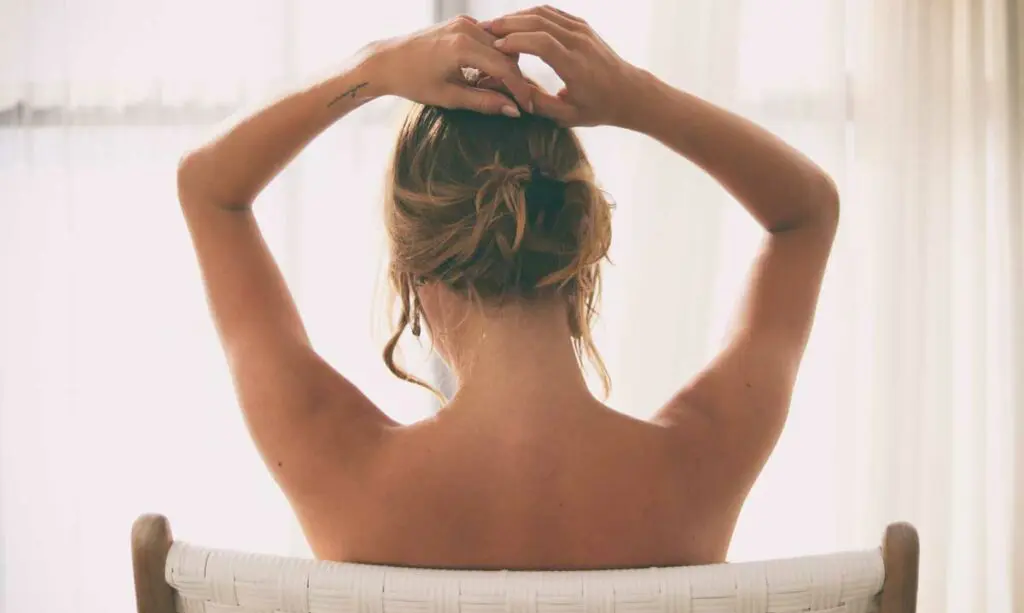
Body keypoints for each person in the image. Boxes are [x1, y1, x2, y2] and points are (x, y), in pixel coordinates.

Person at [176, 6, 840, 569]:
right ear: (587, 243)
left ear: (413, 275)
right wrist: (637, 96)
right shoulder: (697, 468)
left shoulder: (337, 463)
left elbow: (208, 187)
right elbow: (806, 212)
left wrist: (370, 70)